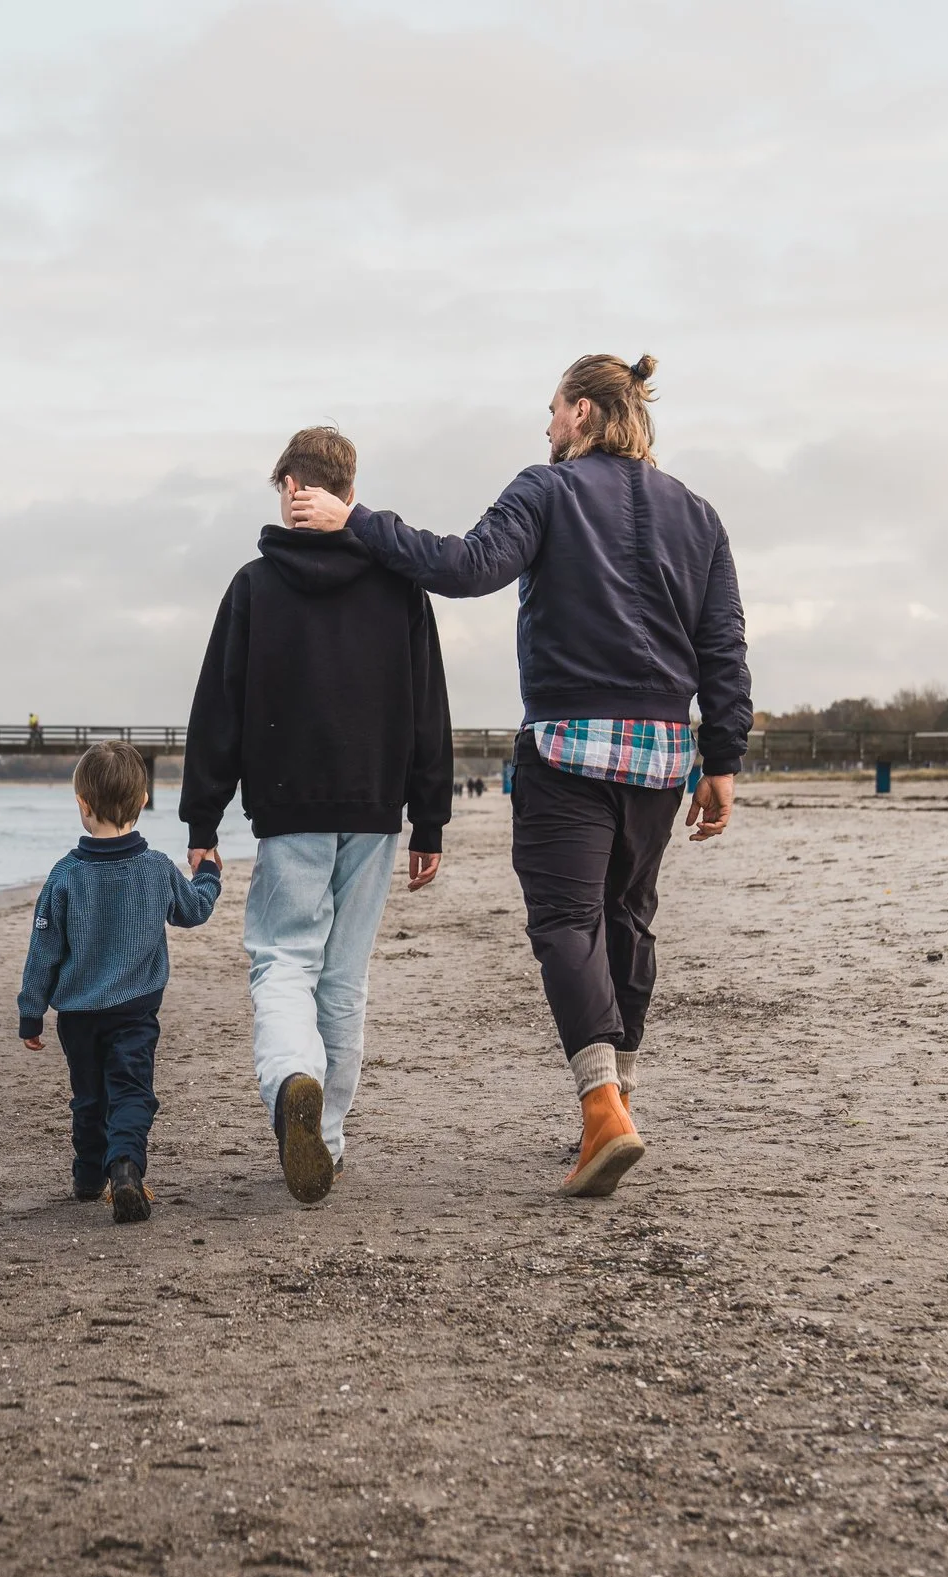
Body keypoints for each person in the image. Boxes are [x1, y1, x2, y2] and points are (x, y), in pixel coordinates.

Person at [288, 354, 751, 1200]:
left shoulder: (548, 488)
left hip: (570, 743)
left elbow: (464, 565)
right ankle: (618, 1101)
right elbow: (723, 644)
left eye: (550, 412)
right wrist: (721, 757)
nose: (544, 428)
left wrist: (353, 519)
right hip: (660, 753)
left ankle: (603, 1109)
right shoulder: (700, 513)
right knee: (629, 919)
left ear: (581, 412)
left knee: (566, 921)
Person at [181, 426, 451, 1205]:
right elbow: (428, 706)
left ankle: (292, 1085)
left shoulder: (255, 586)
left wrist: (202, 823)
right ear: (348, 489)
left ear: (292, 487)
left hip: (289, 808)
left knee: (282, 958)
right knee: (344, 975)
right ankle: (325, 1137)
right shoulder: (400, 585)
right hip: (374, 808)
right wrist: (428, 817)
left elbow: (217, 711)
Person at [18, 741, 222, 1225]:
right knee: (131, 1090)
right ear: (143, 801)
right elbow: (193, 910)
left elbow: (43, 949)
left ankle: (88, 1175)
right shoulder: (156, 868)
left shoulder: (65, 874)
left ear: (82, 806)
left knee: (88, 1096)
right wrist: (210, 873)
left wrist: (31, 1010)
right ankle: (125, 1168)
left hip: (78, 1014)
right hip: (135, 1011)